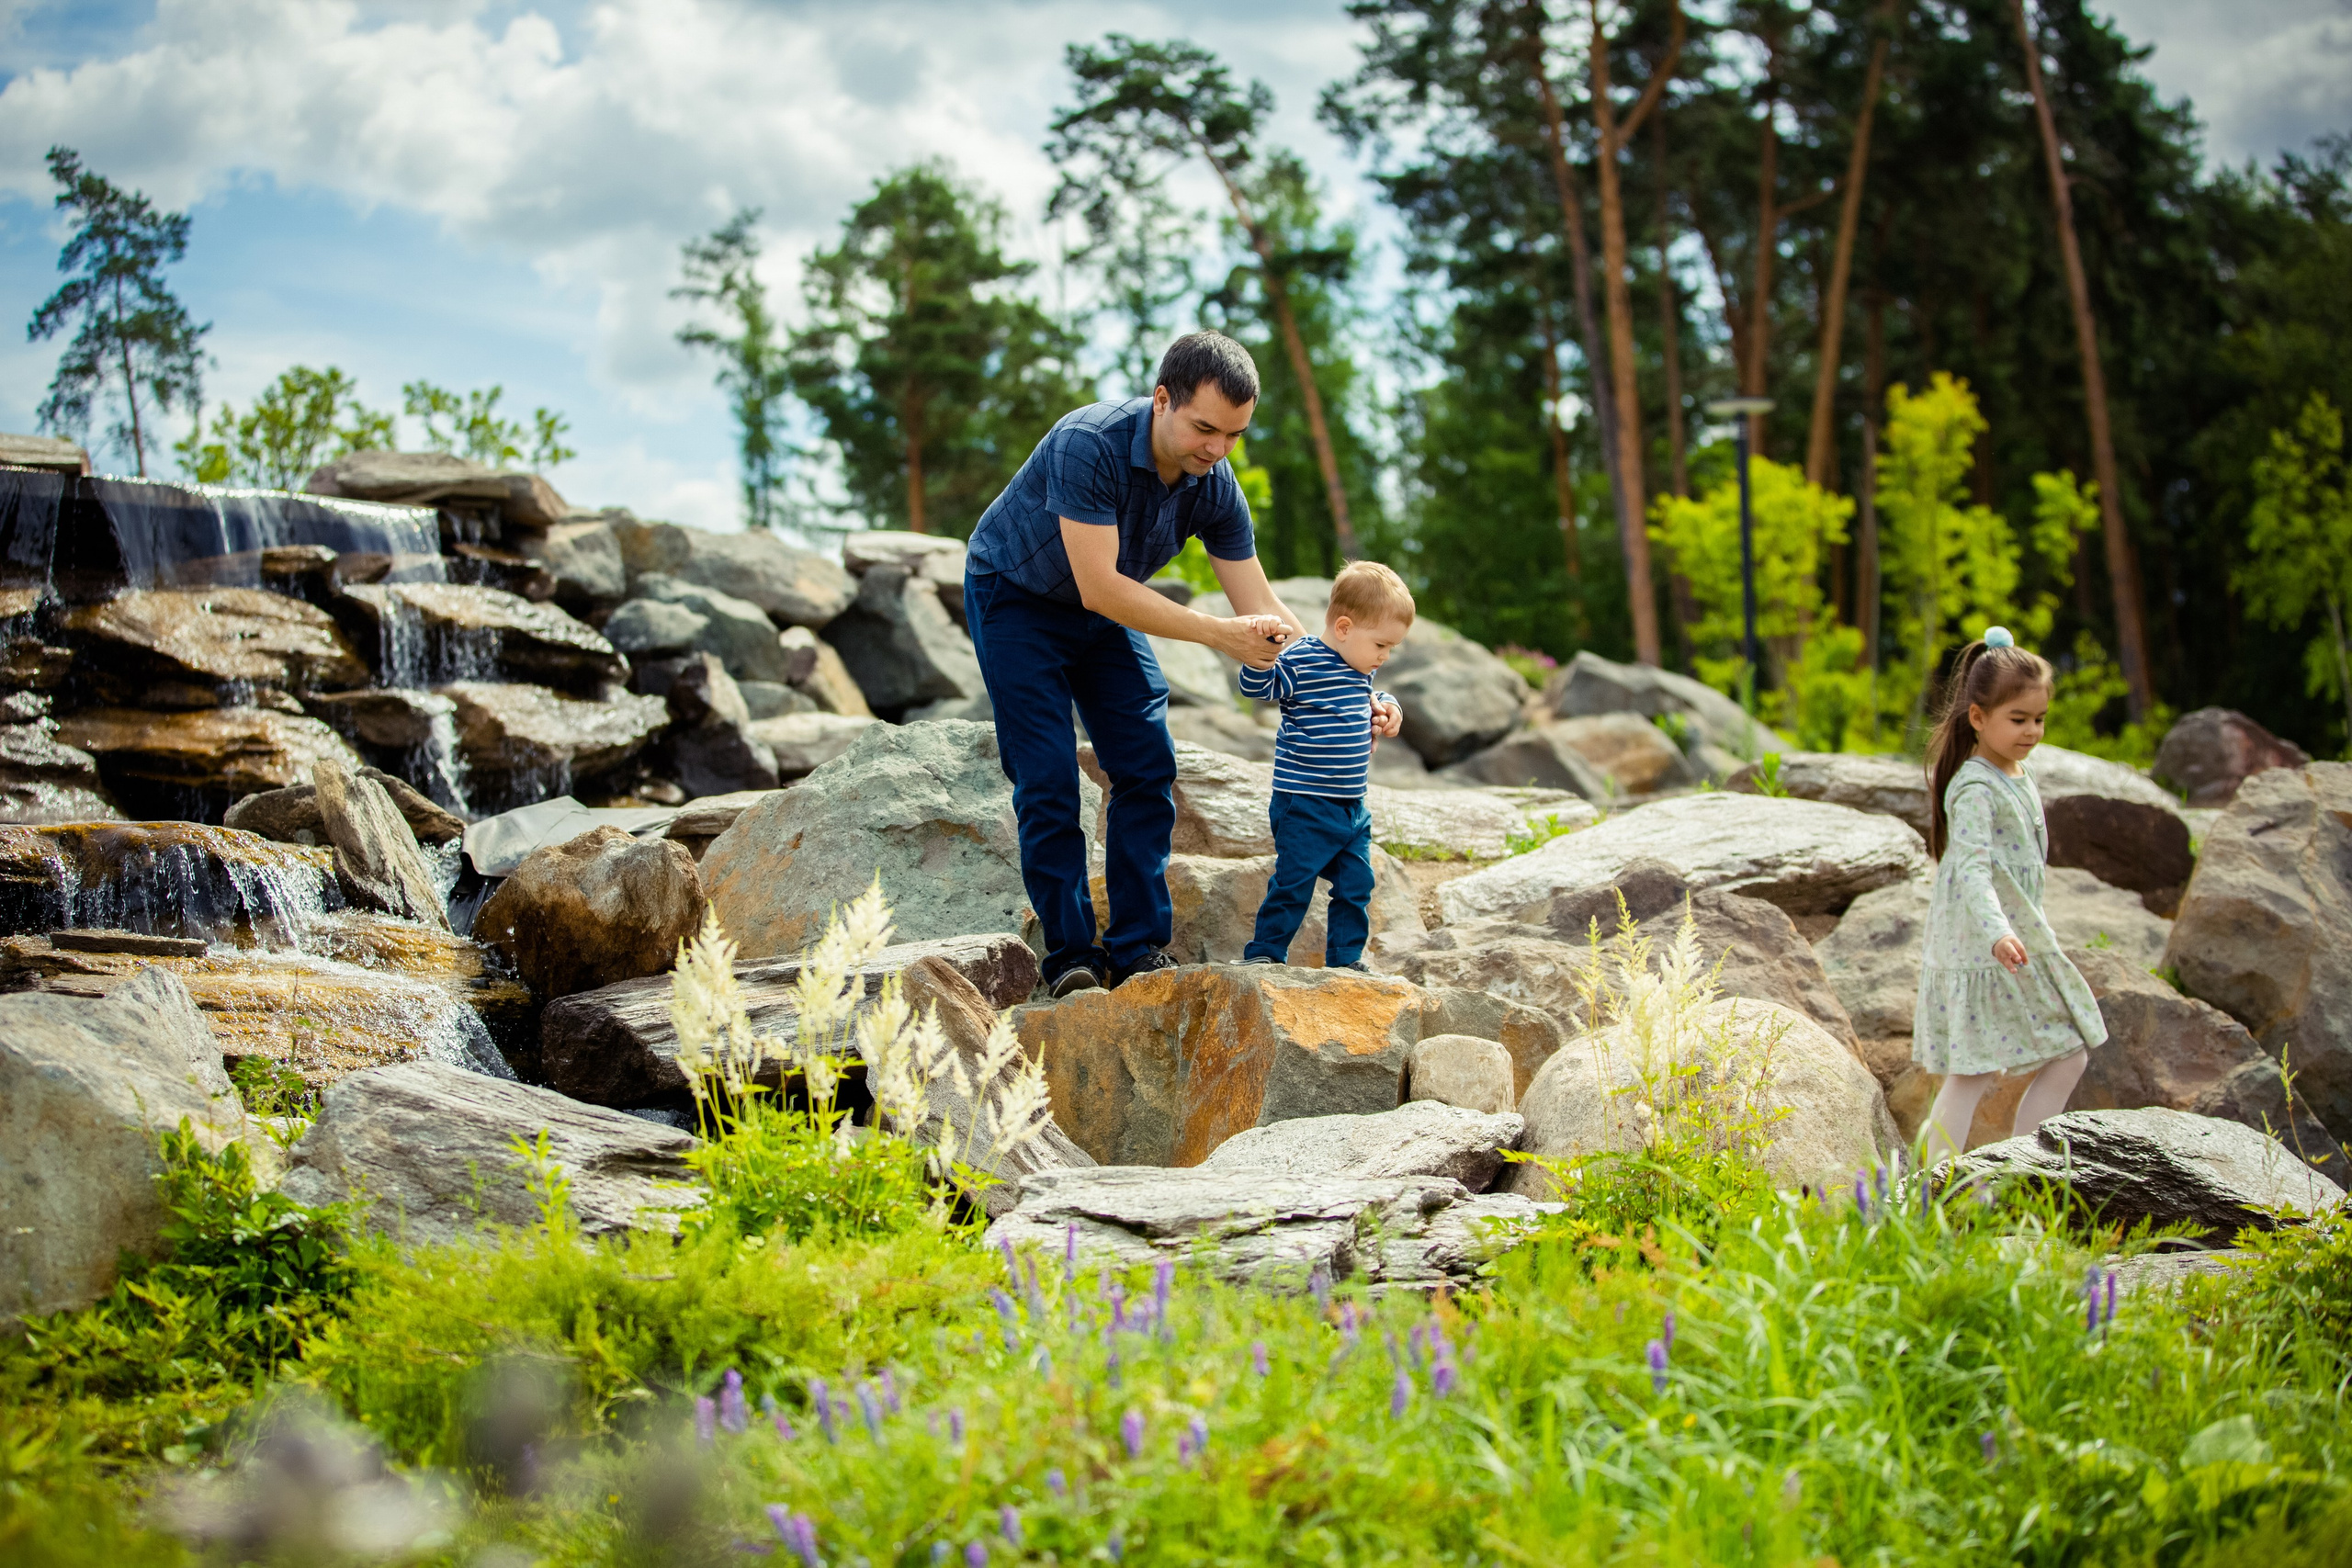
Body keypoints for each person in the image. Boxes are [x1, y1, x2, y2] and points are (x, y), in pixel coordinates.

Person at [964, 332, 1308, 998]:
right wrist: (1219, 636)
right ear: (1161, 400)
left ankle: (1138, 947)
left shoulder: (1214, 481)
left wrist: (1351, 684)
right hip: (1017, 598)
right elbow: (1102, 586)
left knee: (1147, 763)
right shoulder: (1086, 443)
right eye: (1205, 428)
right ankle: (1070, 956)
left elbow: (1259, 604)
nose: (1217, 449)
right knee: (1050, 778)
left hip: (1104, 609)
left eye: (1234, 435)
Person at [1913, 626, 2108, 1166]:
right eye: (2017, 720)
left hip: (2007, 943)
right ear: (1978, 718)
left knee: (2061, 1056)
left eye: (2039, 719)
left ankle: (2023, 1171)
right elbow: (1971, 869)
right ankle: (1941, 1188)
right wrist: (1998, 931)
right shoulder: (1975, 787)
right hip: (1984, 946)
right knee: (1978, 1072)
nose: (2032, 732)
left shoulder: (2016, 773)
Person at [1236, 561, 1412, 971]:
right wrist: (1261, 654)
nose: (1384, 657)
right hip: (1306, 804)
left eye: (1391, 649)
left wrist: (1390, 707)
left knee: (1356, 885)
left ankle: (1346, 961)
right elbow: (1257, 688)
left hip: (1352, 806)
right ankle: (1265, 952)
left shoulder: (1360, 667)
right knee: (1294, 883)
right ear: (1345, 628)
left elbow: (1369, 694)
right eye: (1381, 645)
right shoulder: (1303, 660)